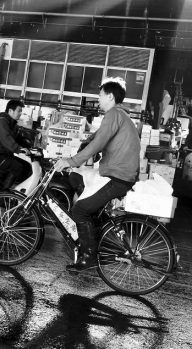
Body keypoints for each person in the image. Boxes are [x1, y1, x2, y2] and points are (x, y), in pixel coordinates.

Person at [54, 77, 140, 273]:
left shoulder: (114, 114)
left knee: (79, 210)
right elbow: (98, 137)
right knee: (76, 177)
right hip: (115, 172)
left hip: (117, 176)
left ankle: (89, 257)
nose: (98, 99)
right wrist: (79, 152)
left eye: (100, 95)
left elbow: (99, 143)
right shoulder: (120, 115)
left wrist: (71, 161)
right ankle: (94, 221)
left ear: (110, 96)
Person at [0, 99, 31, 191]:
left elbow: (17, 139)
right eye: (19, 111)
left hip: (5, 155)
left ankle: (16, 191)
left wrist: (29, 147)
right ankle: (2, 195)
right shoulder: (2, 122)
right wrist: (19, 149)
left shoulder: (12, 124)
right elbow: (7, 139)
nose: (20, 113)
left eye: (21, 111)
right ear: (11, 111)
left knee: (27, 166)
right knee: (17, 167)